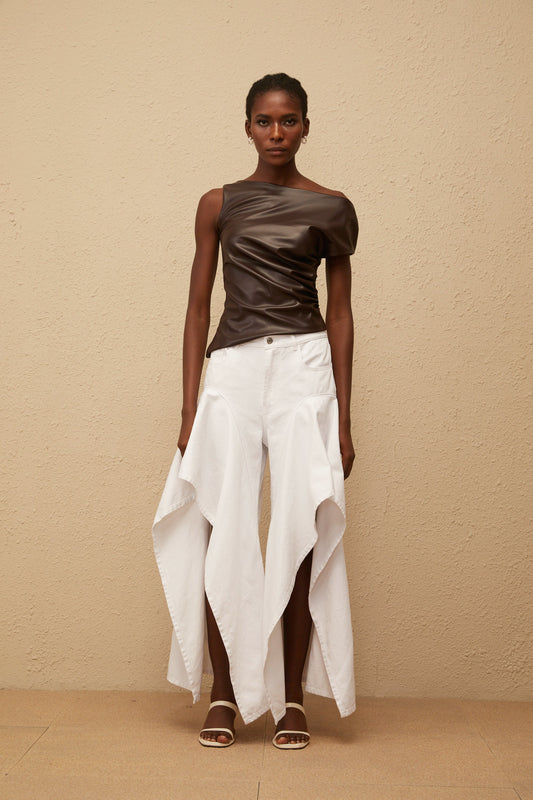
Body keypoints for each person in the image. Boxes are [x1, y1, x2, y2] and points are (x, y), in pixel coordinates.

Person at [152, 73, 358, 750]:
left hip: (303, 368)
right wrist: (189, 410)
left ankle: (291, 700)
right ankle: (224, 696)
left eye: (288, 120)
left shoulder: (332, 207)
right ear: (247, 127)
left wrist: (344, 421)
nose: (277, 133)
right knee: (224, 525)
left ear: (306, 127)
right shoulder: (217, 203)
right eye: (264, 121)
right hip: (234, 368)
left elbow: (339, 315)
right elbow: (196, 309)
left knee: (298, 528)